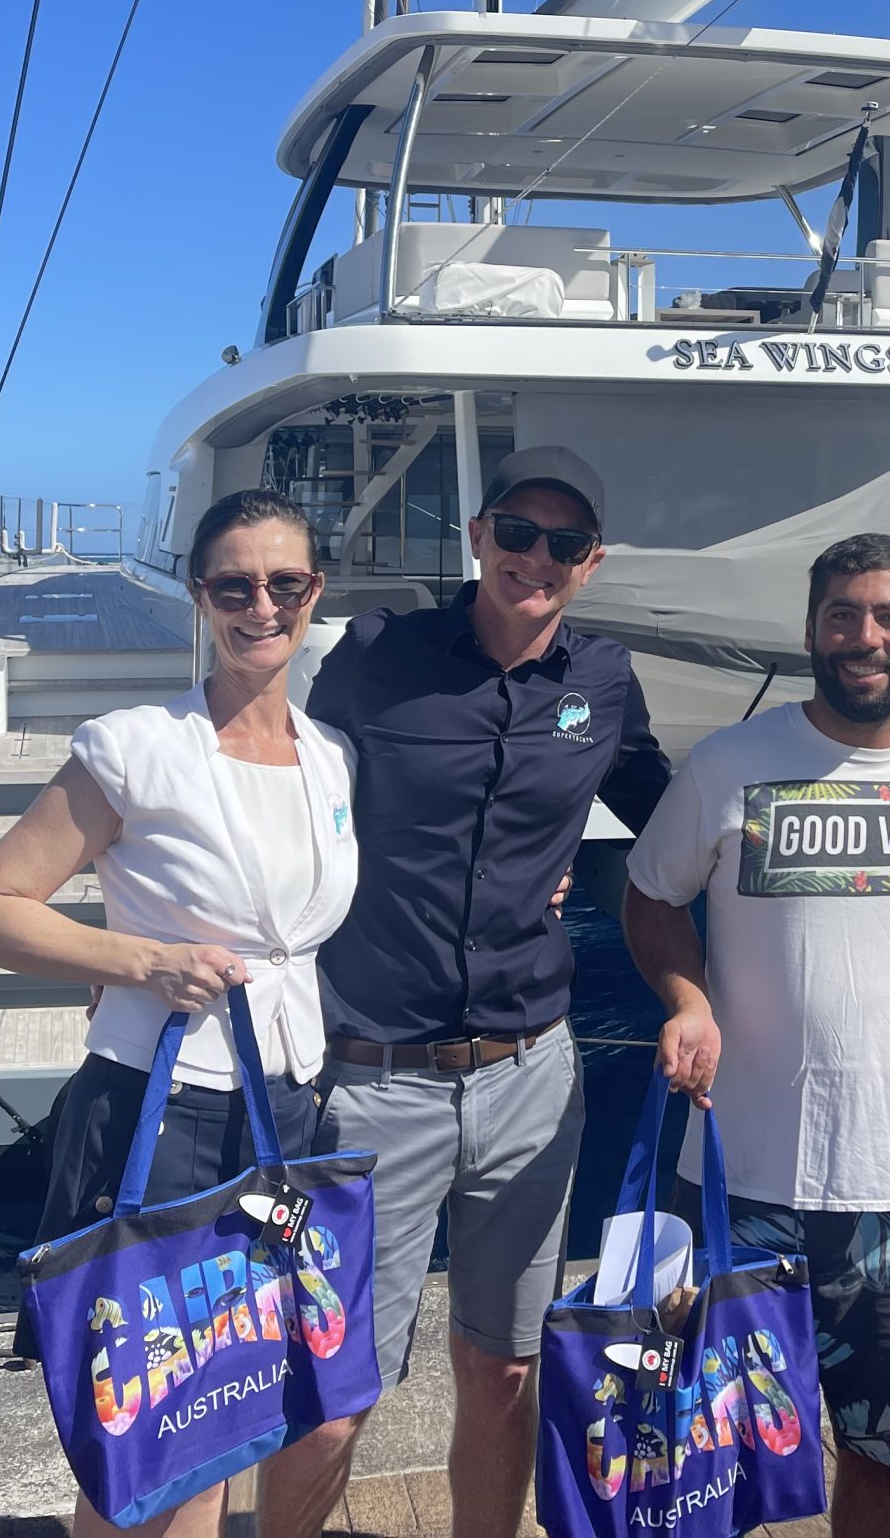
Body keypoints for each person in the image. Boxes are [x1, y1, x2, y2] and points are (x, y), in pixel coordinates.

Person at [260, 446, 671, 1538]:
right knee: (331, 1397)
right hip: (372, 1077)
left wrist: (853, 755)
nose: (537, 557)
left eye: (564, 542)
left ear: (591, 563)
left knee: (504, 1369)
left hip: (530, 1073)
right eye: (518, 532)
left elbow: (674, 813)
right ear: (479, 536)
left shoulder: (603, 681)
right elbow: (282, 792)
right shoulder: (375, 656)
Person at [0, 488, 359, 1538]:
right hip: (158, 1112)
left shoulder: (330, 756)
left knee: (228, 1417)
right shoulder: (136, 747)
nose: (261, 606)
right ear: (199, 596)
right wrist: (144, 961)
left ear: (315, 592)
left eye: (285, 583)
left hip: (285, 1114)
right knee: (147, 1440)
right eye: (235, 586)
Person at [624, 533, 890, 1538]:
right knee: (710, 1446)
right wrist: (688, 1000)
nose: (863, 637)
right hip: (736, 1179)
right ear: (811, 631)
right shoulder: (729, 762)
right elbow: (650, 896)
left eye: (888, 616)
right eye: (842, 615)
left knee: (886, 1457)